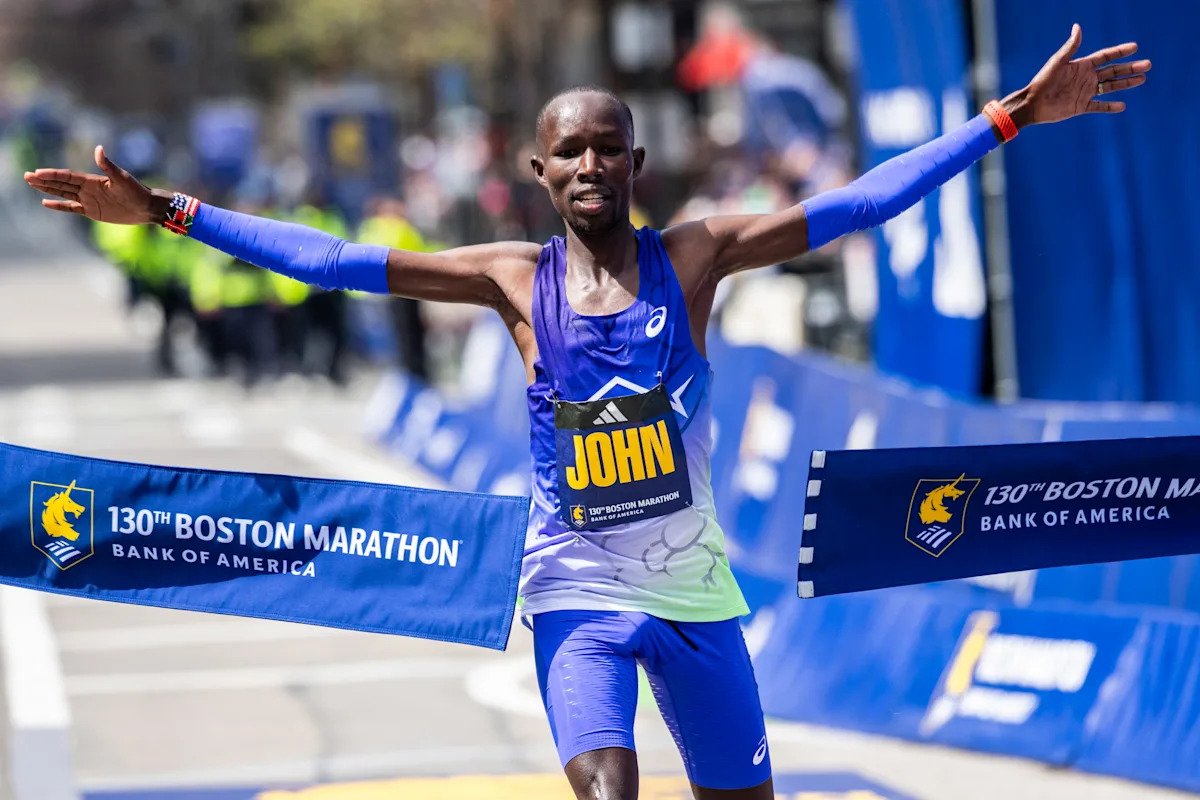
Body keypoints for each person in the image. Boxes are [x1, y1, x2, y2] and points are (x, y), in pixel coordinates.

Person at [24, 25, 1148, 800]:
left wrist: (1008, 119)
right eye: (571, 150)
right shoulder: (512, 280)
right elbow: (331, 261)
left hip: (697, 598)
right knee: (607, 789)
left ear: (638, 162)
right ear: (540, 169)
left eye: (610, 147)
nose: (592, 164)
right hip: (577, 598)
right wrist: (168, 212)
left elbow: (858, 203)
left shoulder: (695, 257)